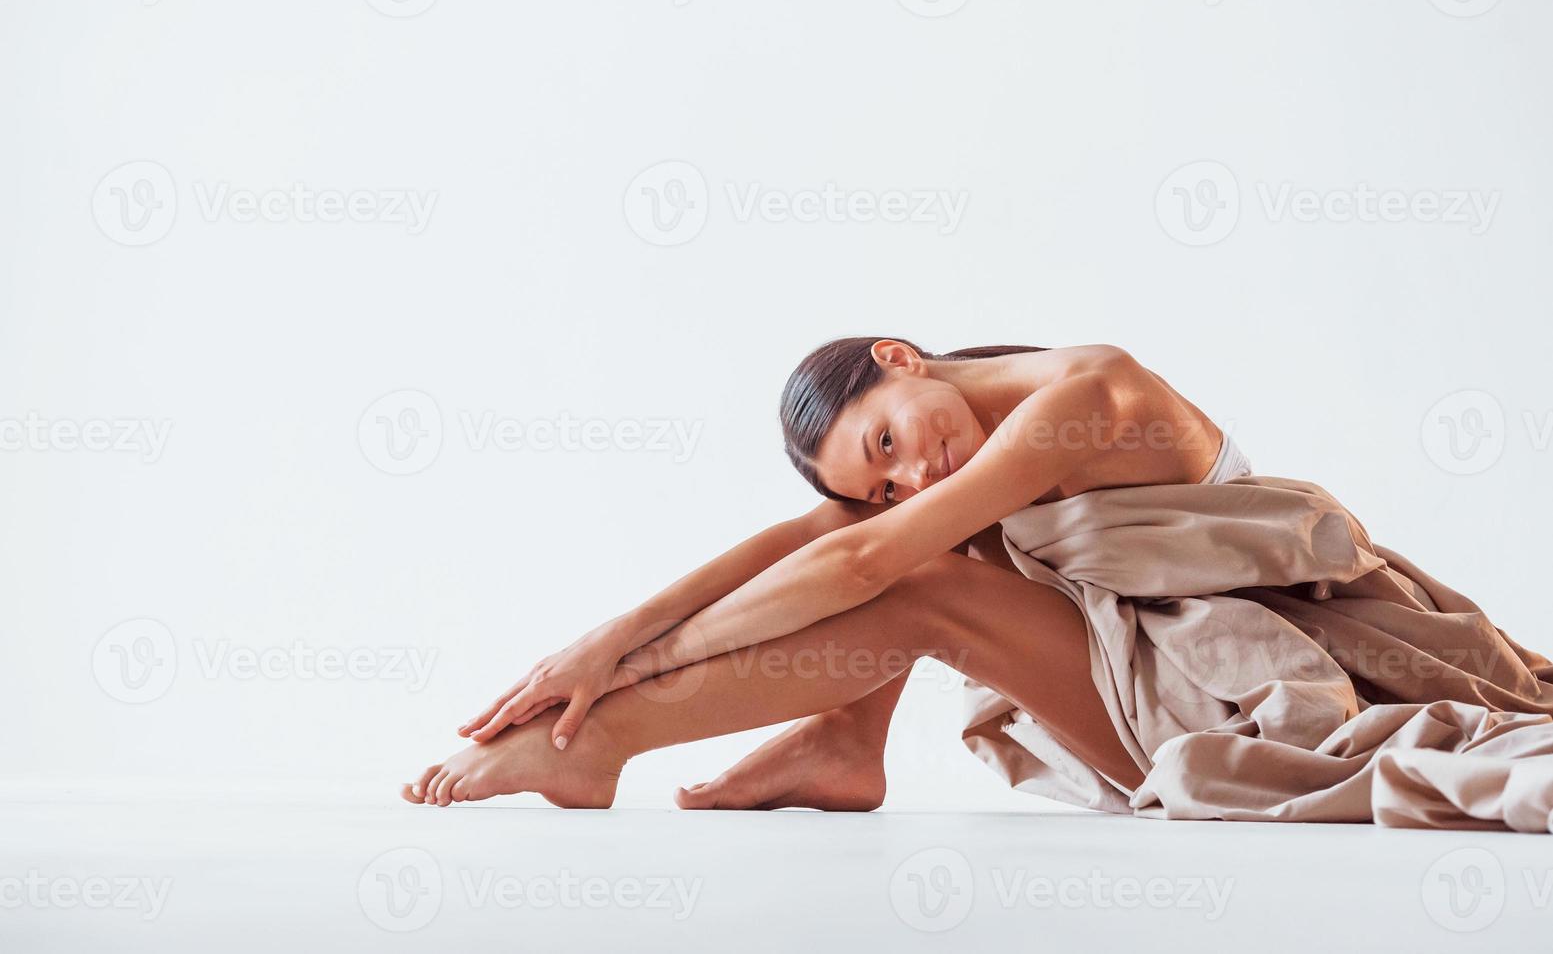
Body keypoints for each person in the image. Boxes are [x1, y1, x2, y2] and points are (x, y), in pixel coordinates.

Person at [402, 337, 1264, 809]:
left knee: (920, 579)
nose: (914, 479)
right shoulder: (957, 429)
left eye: (885, 442)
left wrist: (631, 676)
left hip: (1234, 705)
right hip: (1138, 690)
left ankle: (594, 745)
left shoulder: (1090, 391)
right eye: (885, 483)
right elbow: (809, 538)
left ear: (899, 356)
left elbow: (860, 560)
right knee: (893, 546)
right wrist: (607, 638)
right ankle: (845, 743)